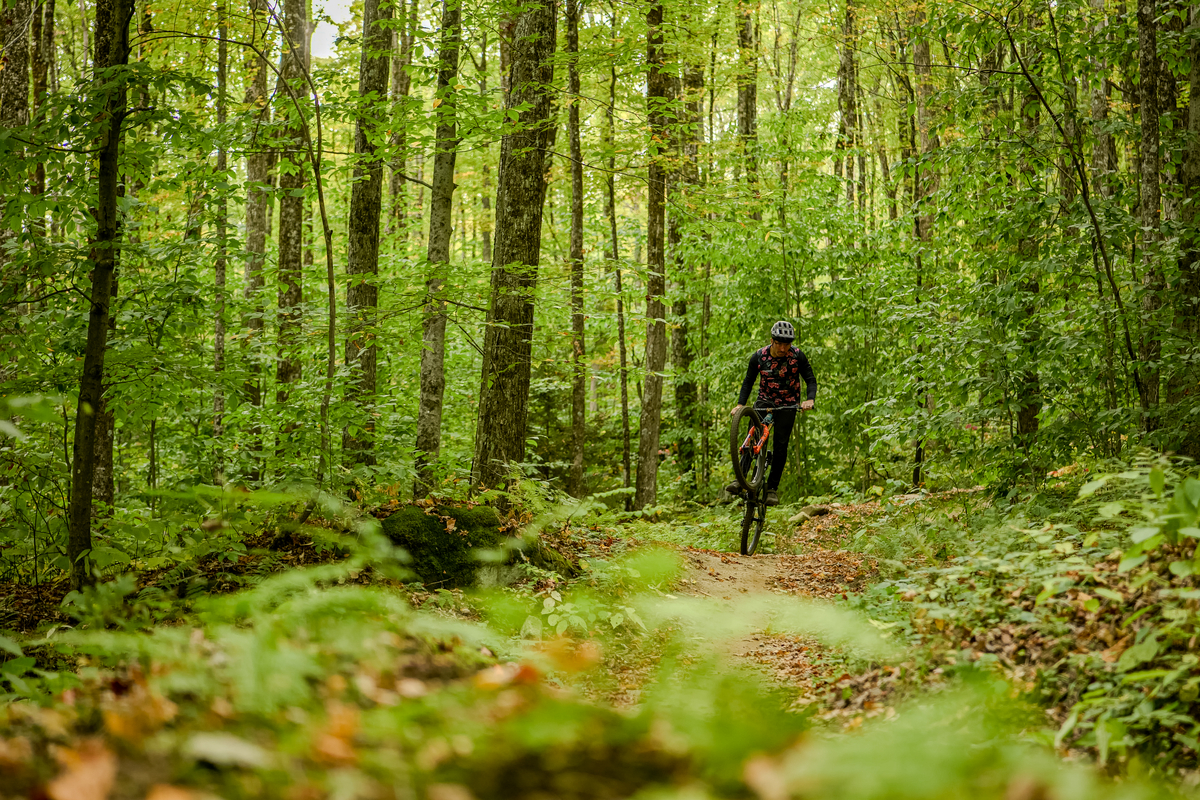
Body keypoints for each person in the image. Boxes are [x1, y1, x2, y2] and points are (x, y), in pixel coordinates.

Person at [725, 320, 817, 506]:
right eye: (779, 343)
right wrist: (740, 404)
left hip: (788, 404)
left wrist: (809, 399)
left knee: (781, 445)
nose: (783, 348)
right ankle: (740, 478)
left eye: (787, 344)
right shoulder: (759, 357)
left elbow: (810, 379)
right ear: (772, 341)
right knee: (751, 438)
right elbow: (748, 381)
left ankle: (772, 489)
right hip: (764, 401)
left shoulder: (798, 356)